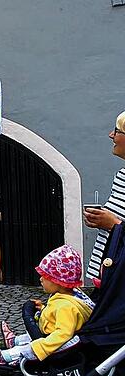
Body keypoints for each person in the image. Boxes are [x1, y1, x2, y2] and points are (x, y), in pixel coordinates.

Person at [0, 245, 93, 365]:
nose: (40, 279)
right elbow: (55, 316)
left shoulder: (66, 307)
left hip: (55, 344)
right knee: (28, 337)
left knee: (30, 348)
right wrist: (43, 309)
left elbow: (63, 334)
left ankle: (5, 356)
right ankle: (15, 342)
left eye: (45, 277)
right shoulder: (68, 296)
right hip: (48, 333)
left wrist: (42, 347)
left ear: (59, 282)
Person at [84, 111, 125, 283]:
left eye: (117, 131)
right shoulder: (122, 175)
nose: (111, 135)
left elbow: (116, 222)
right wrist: (100, 221)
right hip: (110, 275)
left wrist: (113, 224)